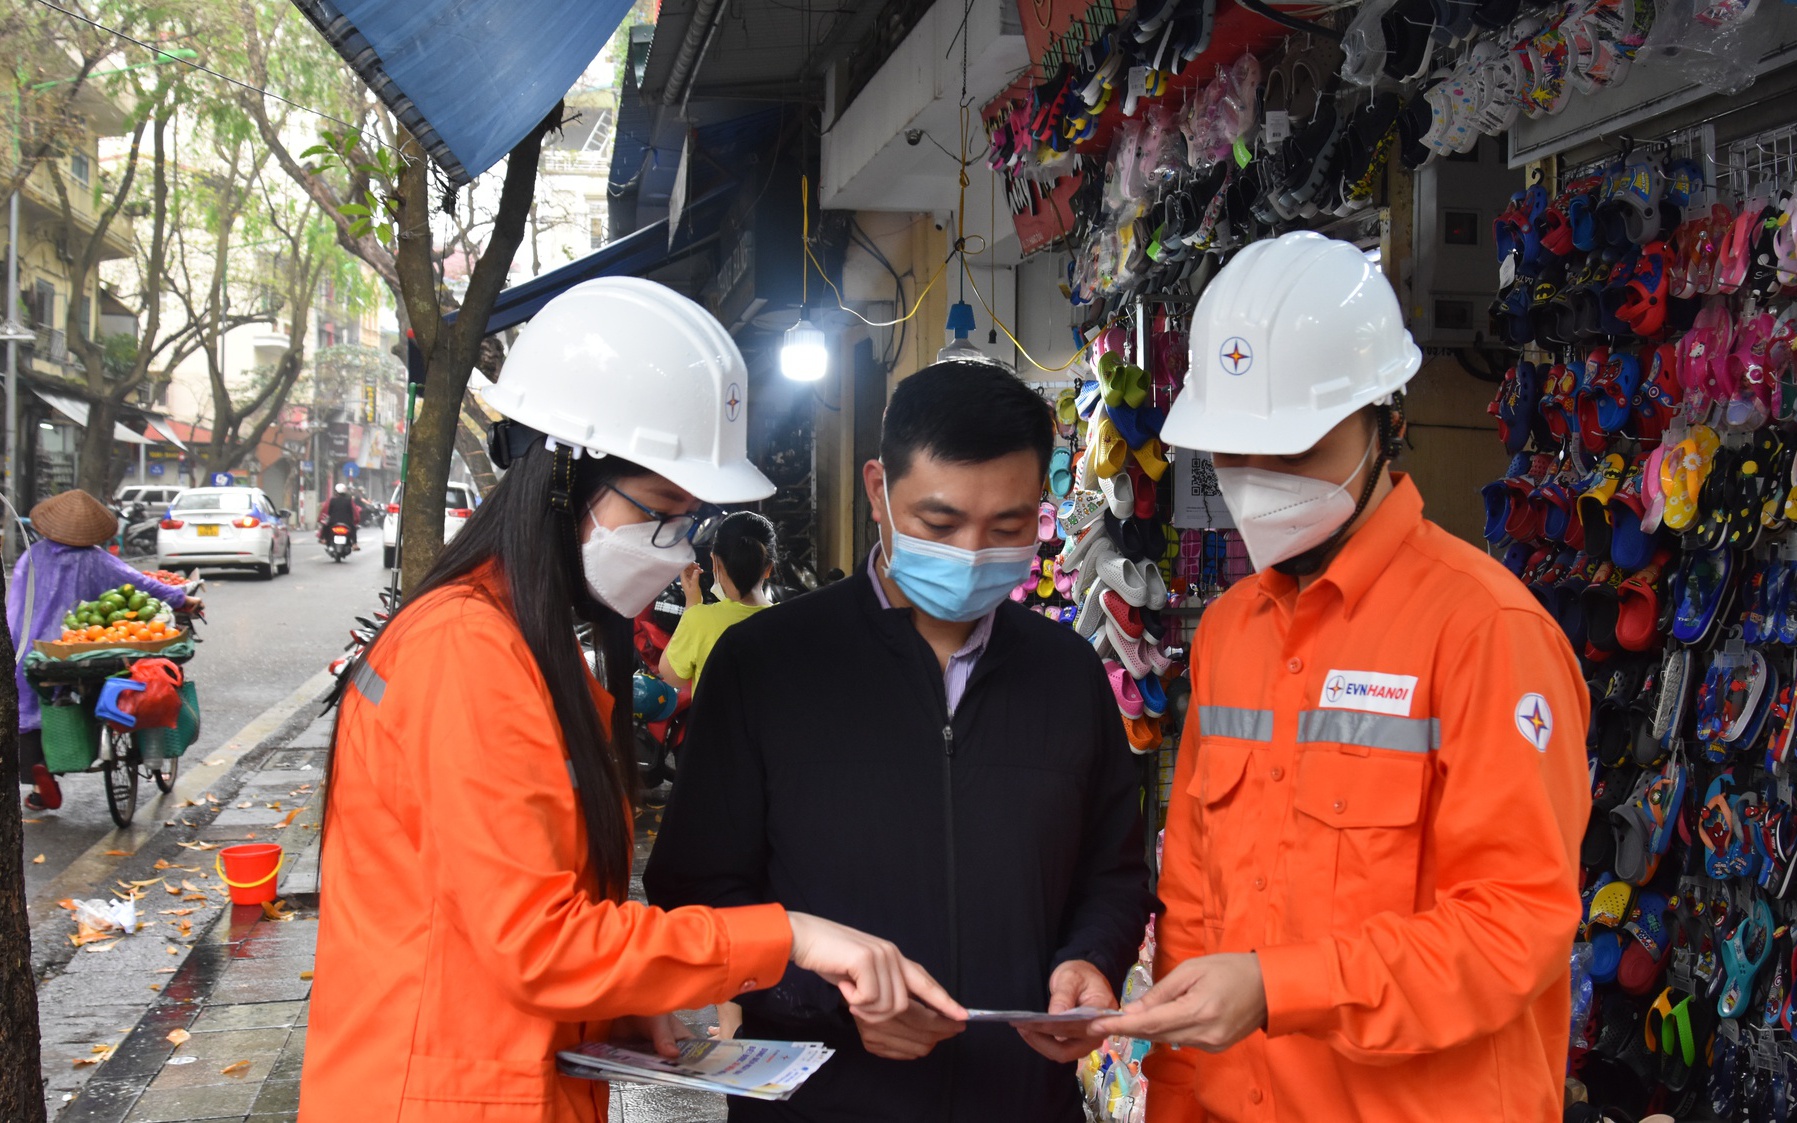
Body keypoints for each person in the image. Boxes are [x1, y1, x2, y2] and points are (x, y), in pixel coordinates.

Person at [299, 278, 961, 1123]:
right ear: (562, 479)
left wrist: (621, 998)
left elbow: (511, 917)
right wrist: (788, 933)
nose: (676, 544)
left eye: (691, 517)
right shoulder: (464, 652)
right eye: (662, 509)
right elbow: (539, 942)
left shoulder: (529, 646)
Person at [1086, 233, 1589, 1122]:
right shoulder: (1231, 630)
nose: (1261, 482)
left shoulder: (1485, 634)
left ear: (1387, 423)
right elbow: (1195, 905)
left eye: (1296, 448)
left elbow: (1514, 927)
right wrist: (1172, 1102)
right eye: (1238, 453)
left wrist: (1282, 986)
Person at [645, 361, 1153, 1123]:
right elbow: (694, 890)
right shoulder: (767, 667)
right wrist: (829, 996)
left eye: (1009, 527)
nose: (974, 551)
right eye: (940, 524)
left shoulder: (1067, 675)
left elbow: (1114, 870)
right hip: (821, 1102)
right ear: (877, 488)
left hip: (1019, 1101)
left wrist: (1090, 958)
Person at [10, 489, 199, 811]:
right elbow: (142, 584)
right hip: (85, 646)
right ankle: (111, 735)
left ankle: (41, 781)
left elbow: (14, 603)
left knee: (26, 710)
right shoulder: (96, 559)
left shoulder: (32, 556)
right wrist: (185, 600)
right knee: (108, 681)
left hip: (31, 649)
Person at [658, 511, 779, 694]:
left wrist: (692, 603)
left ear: (715, 562)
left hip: (716, 723)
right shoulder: (786, 620)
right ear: (769, 568)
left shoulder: (699, 619)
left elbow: (671, 676)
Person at [319, 483, 360, 550]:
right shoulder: (349, 500)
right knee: (353, 528)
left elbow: (329, 512)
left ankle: (323, 539)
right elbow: (352, 512)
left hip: (333, 521)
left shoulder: (332, 500)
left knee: (325, 526)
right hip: (347, 522)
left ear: (336, 491)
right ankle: (354, 544)